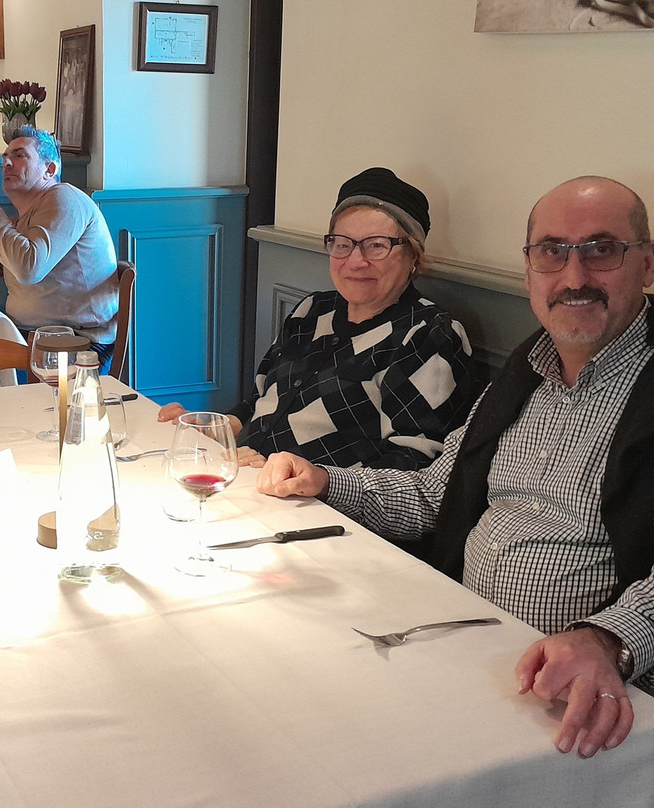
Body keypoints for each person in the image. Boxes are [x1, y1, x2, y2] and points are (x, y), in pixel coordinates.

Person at [255, 175, 654, 758]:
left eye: (601, 250)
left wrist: (608, 639)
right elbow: (429, 496)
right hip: (465, 643)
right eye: (551, 252)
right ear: (529, 269)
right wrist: (325, 481)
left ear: (646, 265)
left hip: (593, 694)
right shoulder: (525, 373)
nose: (574, 277)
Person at [159, 167, 477, 469]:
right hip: (248, 478)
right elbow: (261, 403)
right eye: (343, 244)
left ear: (413, 255)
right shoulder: (312, 310)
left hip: (313, 503)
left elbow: (413, 463)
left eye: (377, 246)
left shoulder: (427, 334)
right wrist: (215, 427)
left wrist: (307, 478)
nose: (356, 261)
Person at [0, 126, 119, 372]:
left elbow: (29, 269)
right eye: (5, 157)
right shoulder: (21, 221)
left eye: (20, 155)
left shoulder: (66, 198)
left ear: (50, 169)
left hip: (76, 345)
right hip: (30, 338)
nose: (7, 163)